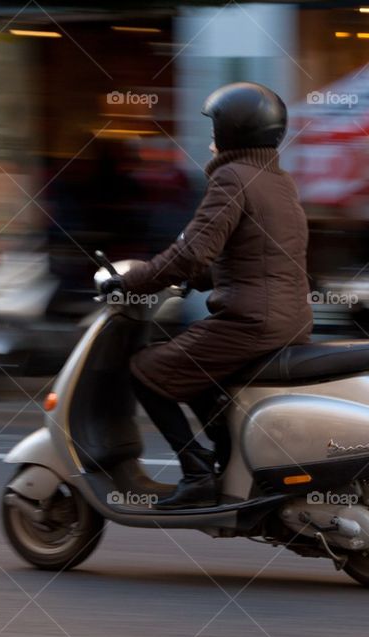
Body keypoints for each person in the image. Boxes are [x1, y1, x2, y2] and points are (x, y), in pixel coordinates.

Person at [100, 82, 314, 509]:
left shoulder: (233, 177)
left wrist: (132, 281)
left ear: (234, 131)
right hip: (287, 318)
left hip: (252, 322)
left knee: (147, 369)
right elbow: (260, 250)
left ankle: (197, 473)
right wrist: (206, 277)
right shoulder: (277, 180)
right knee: (186, 366)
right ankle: (227, 453)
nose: (212, 140)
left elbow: (191, 251)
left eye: (216, 128)